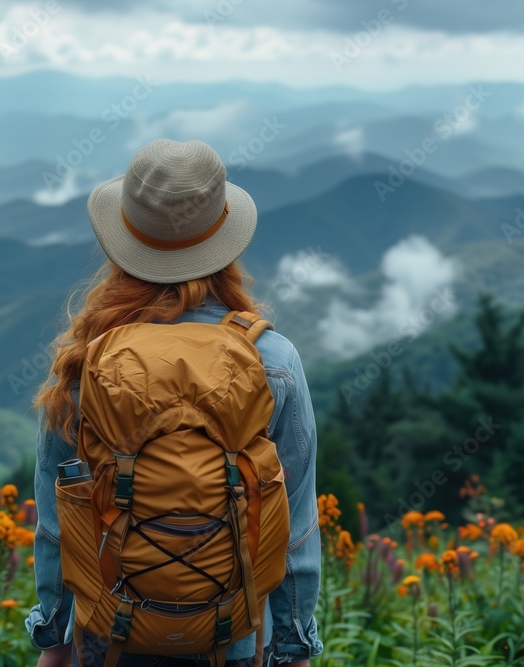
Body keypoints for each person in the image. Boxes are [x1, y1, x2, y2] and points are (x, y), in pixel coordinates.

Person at [25, 139, 323, 666]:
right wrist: (294, 648)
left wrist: (53, 639)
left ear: (122, 243)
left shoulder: (85, 364)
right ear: (225, 242)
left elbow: (57, 519)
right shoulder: (270, 360)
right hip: (233, 637)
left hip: (107, 637)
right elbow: (294, 528)